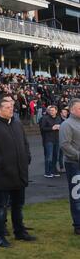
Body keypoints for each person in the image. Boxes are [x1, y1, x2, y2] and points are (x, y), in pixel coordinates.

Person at [0, 99, 36, 247]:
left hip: (19, 172)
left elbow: (25, 143)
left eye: (12, 107)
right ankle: (0, 236)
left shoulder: (17, 123)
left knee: (18, 205)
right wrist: (1, 164)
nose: (11, 109)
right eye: (7, 107)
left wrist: (27, 157)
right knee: (1, 206)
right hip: (3, 174)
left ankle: (19, 231)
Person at [59, 99, 80, 235]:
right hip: (74, 163)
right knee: (77, 195)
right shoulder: (67, 125)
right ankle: (78, 224)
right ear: (72, 109)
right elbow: (65, 145)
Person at [41, 105, 62, 178]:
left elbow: (61, 125)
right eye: (50, 110)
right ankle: (47, 172)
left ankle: (53, 171)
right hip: (48, 140)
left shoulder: (59, 118)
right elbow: (42, 128)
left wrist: (60, 127)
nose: (51, 112)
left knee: (55, 156)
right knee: (49, 157)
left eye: (53, 110)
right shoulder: (45, 118)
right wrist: (52, 128)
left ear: (56, 111)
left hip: (57, 139)